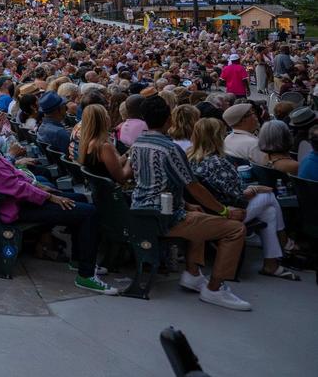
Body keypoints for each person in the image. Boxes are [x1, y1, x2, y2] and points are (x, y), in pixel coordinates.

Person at [0, 106, 115, 294]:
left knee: (79, 198)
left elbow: (11, 173)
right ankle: (86, 275)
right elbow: (13, 186)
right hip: (15, 207)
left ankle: (79, 259)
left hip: (16, 201)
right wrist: (50, 196)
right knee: (89, 213)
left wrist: (38, 186)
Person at [129, 95, 251, 311]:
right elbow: (193, 186)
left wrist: (187, 204)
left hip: (141, 209)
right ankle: (214, 289)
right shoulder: (170, 149)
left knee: (201, 214)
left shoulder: (138, 142)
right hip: (164, 216)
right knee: (235, 229)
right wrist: (224, 211)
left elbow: (152, 181)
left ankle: (193, 274)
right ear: (168, 120)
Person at [187, 117, 299, 280]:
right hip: (223, 211)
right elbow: (238, 194)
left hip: (209, 208)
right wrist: (255, 188)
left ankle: (272, 262)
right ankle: (284, 243)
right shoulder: (217, 162)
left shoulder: (190, 157)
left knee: (269, 212)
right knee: (268, 196)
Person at [76, 104, 131, 183]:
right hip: (114, 192)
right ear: (103, 120)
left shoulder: (88, 141)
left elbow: (116, 163)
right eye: (106, 114)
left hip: (101, 191)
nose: (109, 117)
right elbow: (122, 177)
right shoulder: (103, 146)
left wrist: (128, 153)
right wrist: (131, 157)